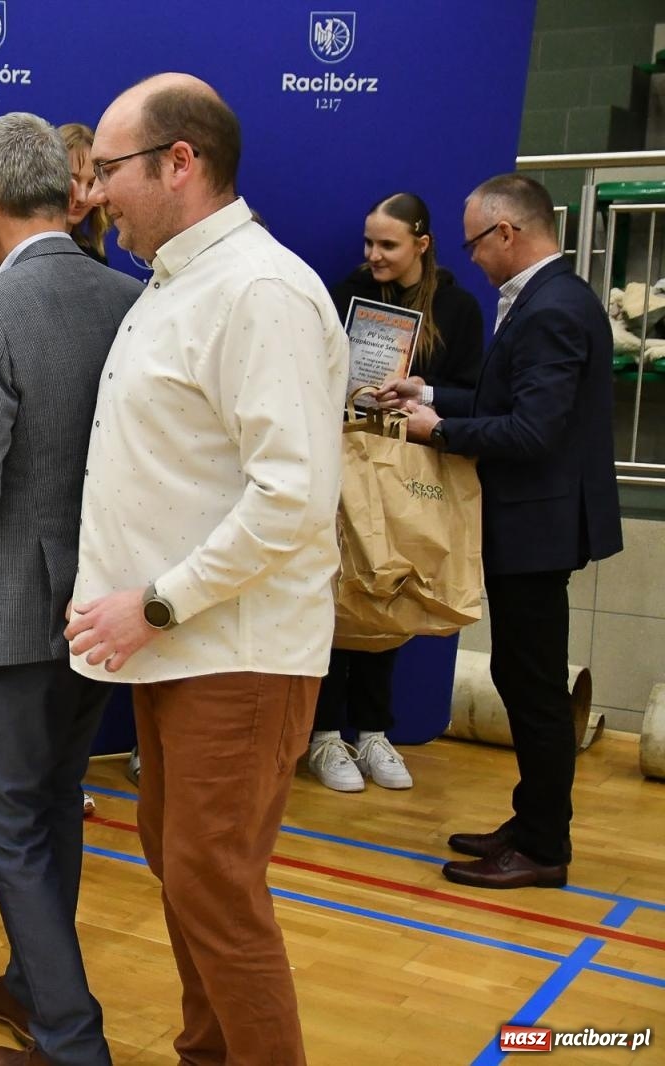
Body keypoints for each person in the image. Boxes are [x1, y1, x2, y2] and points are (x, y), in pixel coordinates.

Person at [67, 74, 346, 1066]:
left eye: (108, 171)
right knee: (184, 871)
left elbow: (291, 498)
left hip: (232, 644)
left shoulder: (257, 289)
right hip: (183, 645)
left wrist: (153, 601)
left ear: (178, 163)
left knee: (215, 885)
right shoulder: (176, 281)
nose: (94, 192)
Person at [0, 112, 141, 1066]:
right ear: (69, 186)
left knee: (9, 821)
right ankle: (31, 983)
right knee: (52, 805)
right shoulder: (130, 297)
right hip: (100, 601)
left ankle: (70, 1038)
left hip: (14, 605)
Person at [378, 173, 622, 890]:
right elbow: (506, 397)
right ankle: (532, 820)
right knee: (521, 678)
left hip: (539, 526)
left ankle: (545, 845)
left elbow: (532, 429)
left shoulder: (551, 309)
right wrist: (426, 392)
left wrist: (441, 429)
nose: (473, 260)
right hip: (532, 522)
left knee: (537, 688)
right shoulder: (551, 300)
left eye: (475, 244)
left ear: (508, 234)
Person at [308, 191, 485, 794]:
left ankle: (374, 732)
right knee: (337, 594)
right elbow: (316, 372)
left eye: (388, 244)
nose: (374, 255)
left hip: (413, 477)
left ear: (421, 244)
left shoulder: (458, 308)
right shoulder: (346, 296)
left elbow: (473, 394)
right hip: (346, 464)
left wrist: (422, 392)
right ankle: (326, 737)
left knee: (392, 596)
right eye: (369, 243)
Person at [0, 120, 109, 285]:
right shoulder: (0, 257)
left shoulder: (96, 261)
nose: (81, 197)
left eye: (91, 184)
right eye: (72, 180)